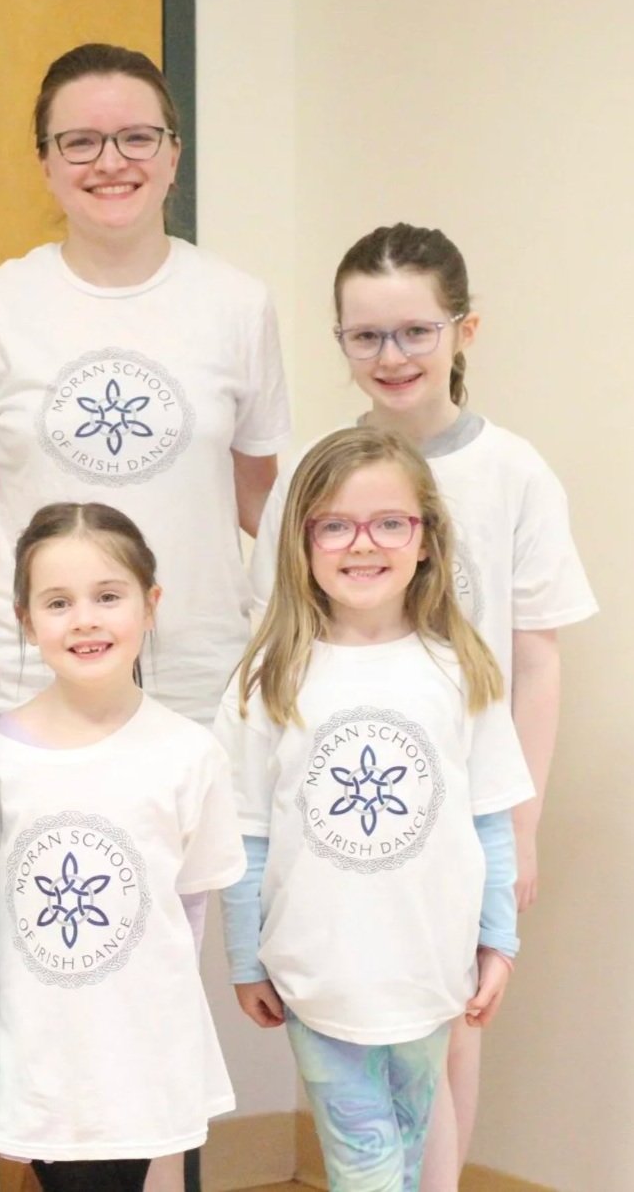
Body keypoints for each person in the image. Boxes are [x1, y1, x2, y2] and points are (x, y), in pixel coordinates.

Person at [249, 224, 597, 1186]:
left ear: (463, 330)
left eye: (413, 331)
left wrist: (517, 826)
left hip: (459, 817)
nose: (390, 357)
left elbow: (534, 658)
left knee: (453, 1034)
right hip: (342, 831)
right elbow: (277, 634)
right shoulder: (309, 475)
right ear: (339, 341)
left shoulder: (512, 471)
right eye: (364, 336)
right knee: (354, 1066)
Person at [0, 42, 289, 728]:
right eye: (81, 142)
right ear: (45, 163)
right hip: (33, 672)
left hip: (200, 677)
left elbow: (259, 500)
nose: (111, 161)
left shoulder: (237, 304)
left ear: (173, 154)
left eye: (137, 138)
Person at [221, 427, 534, 1191]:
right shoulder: (266, 678)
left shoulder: (461, 669)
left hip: (429, 964)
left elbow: (489, 819)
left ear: (426, 539)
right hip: (318, 967)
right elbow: (246, 833)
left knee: (406, 1134)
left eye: (389, 521)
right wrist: (242, 955)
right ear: (301, 541)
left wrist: (499, 939)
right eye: (334, 524)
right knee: (362, 1156)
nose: (363, 544)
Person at [0, 502, 245, 1192]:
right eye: (58, 601)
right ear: (23, 616)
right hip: (45, 1054)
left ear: (149, 605)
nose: (85, 619)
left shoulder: (189, 755)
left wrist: (160, 1030)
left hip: (149, 1053)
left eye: (107, 596)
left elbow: (188, 906)